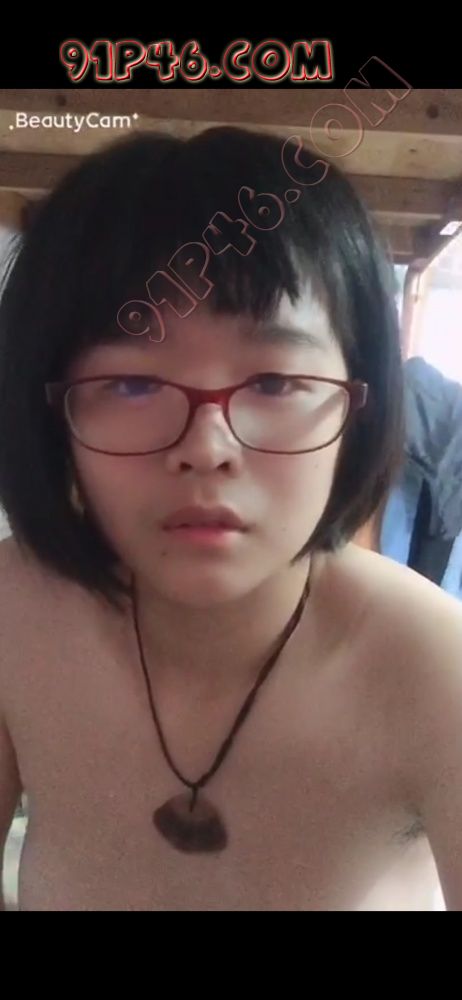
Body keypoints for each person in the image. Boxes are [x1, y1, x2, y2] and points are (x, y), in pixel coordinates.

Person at [0, 127, 461, 912]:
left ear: (359, 404)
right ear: (50, 414)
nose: (206, 449)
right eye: (132, 384)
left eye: (276, 382)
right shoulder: (15, 615)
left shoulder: (434, 668)